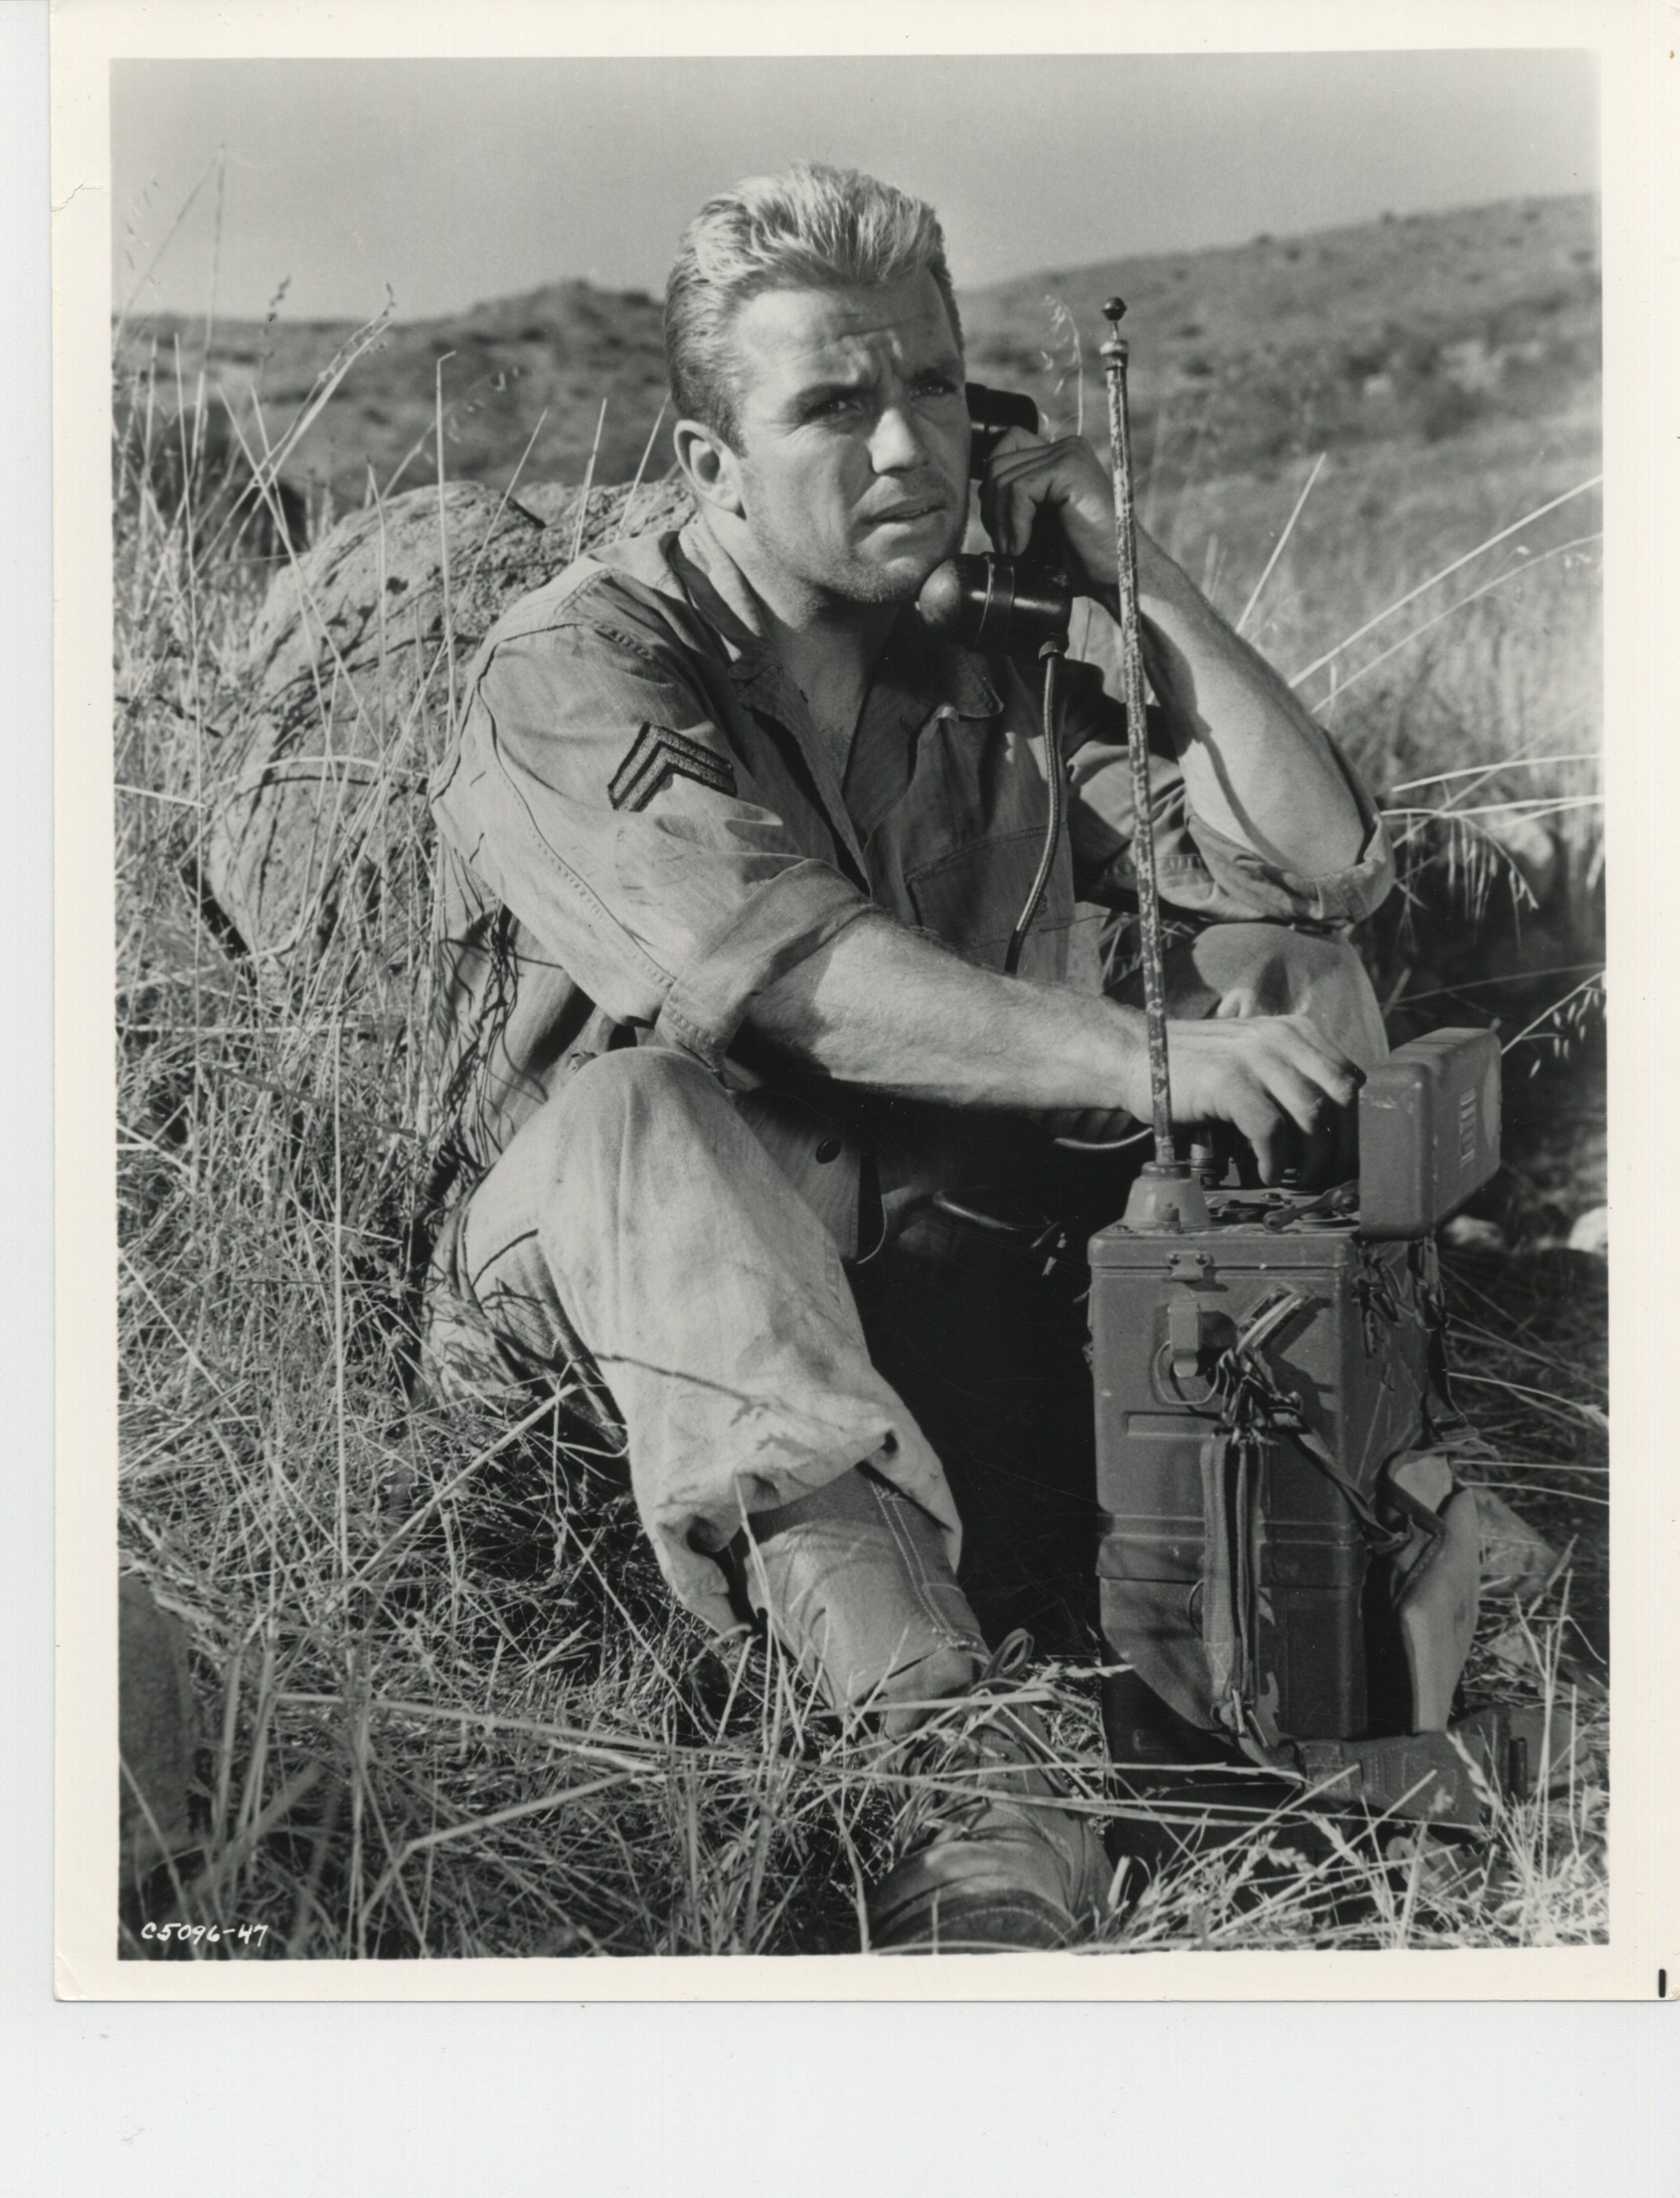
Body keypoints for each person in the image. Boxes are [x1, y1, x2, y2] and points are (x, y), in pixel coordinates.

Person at [418, 163, 1394, 1952]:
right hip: (593, 1353)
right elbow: (776, 981)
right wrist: (1141, 1058)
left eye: (934, 387)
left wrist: (1129, 566)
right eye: (832, 405)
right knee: (652, 1111)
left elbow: (1316, 862)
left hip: (879, 1323)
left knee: (1276, 966)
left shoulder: (975, 669)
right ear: (712, 466)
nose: (902, 447)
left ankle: (1209, 1606)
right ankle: (966, 1777)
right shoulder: (584, 662)